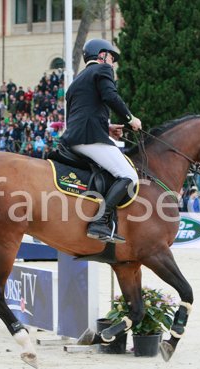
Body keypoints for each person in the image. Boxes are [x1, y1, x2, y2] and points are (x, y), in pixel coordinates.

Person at [60, 38, 141, 244]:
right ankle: (100, 221)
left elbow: (82, 113)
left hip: (74, 138)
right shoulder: (103, 70)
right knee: (129, 176)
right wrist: (130, 119)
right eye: (112, 58)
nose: (113, 63)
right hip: (90, 138)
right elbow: (110, 97)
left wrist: (107, 127)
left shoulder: (76, 81)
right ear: (102, 55)